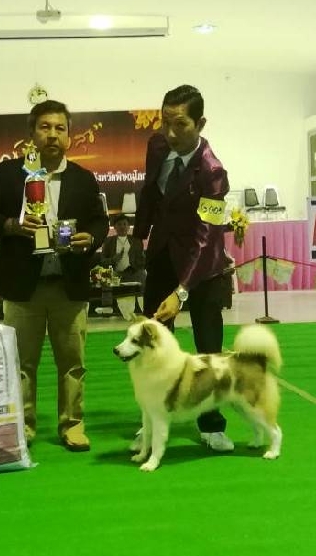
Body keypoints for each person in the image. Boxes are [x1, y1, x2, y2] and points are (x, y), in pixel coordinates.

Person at [0, 99, 109, 452]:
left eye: (60, 128)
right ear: (32, 134)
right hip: (23, 288)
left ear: (69, 136)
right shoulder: (7, 174)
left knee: (73, 364)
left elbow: (100, 221)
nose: (52, 134)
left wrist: (91, 238)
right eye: (45, 127)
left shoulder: (83, 179)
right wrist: (11, 225)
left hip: (69, 286)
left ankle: (73, 425)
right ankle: (24, 427)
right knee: (21, 365)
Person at [132, 84, 234, 452]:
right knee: (152, 345)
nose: (171, 133)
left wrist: (182, 291)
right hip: (162, 256)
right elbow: (150, 192)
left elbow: (207, 238)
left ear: (200, 124)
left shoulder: (213, 173)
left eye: (181, 124)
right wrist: (138, 236)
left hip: (202, 269)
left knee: (208, 352)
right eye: (165, 122)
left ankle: (212, 424)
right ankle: (154, 418)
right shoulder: (157, 146)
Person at [100, 213, 146, 286]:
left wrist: (136, 265)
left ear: (129, 226)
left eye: (125, 224)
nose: (122, 227)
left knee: (142, 273)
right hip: (115, 274)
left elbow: (142, 260)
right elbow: (102, 261)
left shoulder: (136, 241)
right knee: (104, 277)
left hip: (134, 273)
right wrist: (113, 260)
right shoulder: (108, 241)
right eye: (119, 224)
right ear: (114, 227)